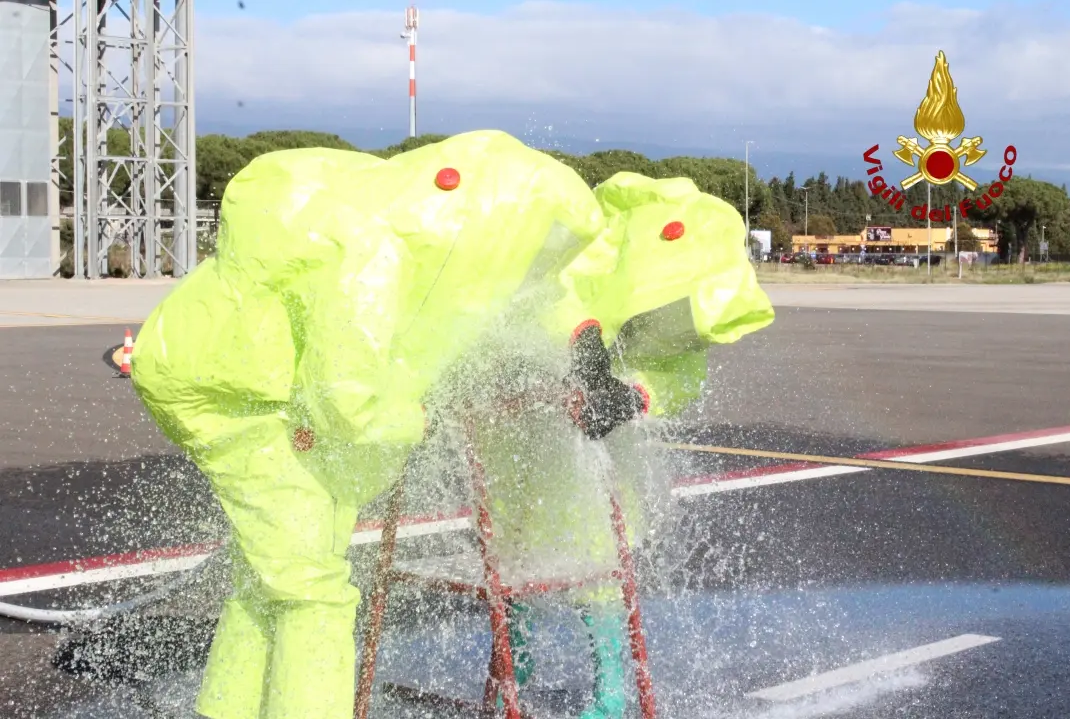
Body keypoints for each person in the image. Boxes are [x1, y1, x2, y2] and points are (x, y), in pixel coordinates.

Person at [129, 130, 630, 719]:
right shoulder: (378, 250)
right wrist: (413, 418)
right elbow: (347, 400)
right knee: (314, 593)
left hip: (254, 391)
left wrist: (588, 353)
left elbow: (541, 297)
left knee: (273, 576)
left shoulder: (410, 228)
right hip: (244, 400)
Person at [454, 171, 775, 718]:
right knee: (508, 541)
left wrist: (630, 396)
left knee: (595, 555)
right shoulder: (592, 251)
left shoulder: (670, 282)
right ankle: (518, 648)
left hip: (588, 443)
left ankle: (611, 683)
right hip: (522, 426)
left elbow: (679, 370)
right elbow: (536, 307)